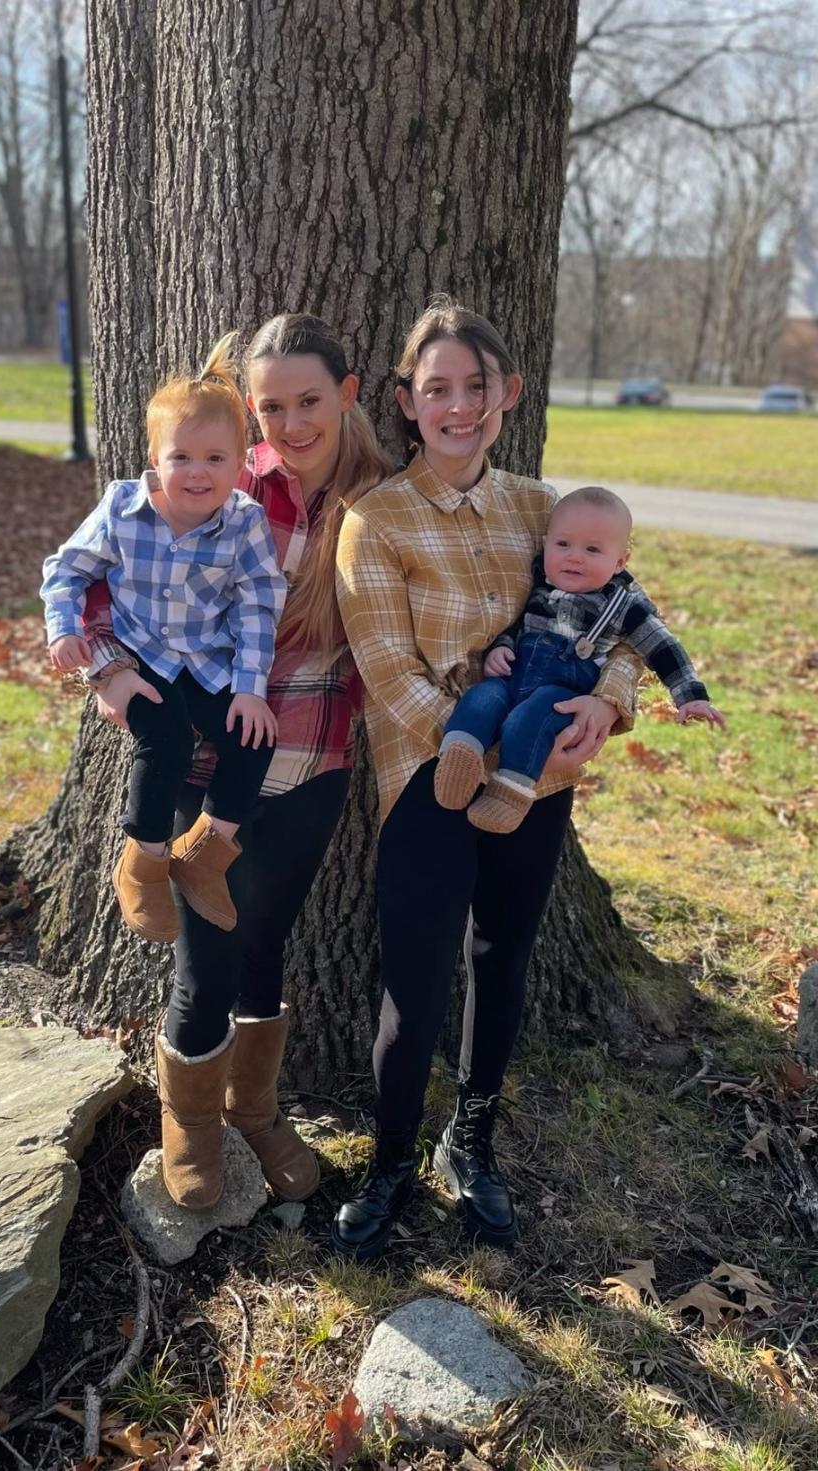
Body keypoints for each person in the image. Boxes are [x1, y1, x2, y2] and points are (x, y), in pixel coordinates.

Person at [332, 299, 644, 1259]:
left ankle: (471, 1138)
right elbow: (391, 674)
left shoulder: (539, 508)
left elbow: (621, 615)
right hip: (431, 777)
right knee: (416, 984)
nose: (458, 407)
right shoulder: (374, 522)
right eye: (437, 391)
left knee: (501, 958)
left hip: (537, 781)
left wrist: (611, 700)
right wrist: (476, 750)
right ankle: (390, 1160)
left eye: (477, 387)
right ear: (407, 403)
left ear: (507, 395)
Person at [82, 315, 392, 1211]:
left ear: (349, 393)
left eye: (310, 402)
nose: (291, 425)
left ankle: (254, 1106)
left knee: (266, 939)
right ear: (248, 412)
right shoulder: (219, 480)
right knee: (207, 956)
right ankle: (191, 1127)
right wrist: (103, 666)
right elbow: (102, 581)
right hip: (211, 759)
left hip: (317, 754)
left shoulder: (381, 496)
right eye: (272, 407)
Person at [41, 336, 286, 946]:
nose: (197, 472)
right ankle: (145, 862)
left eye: (215, 459)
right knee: (166, 734)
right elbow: (66, 570)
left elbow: (259, 604)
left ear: (240, 465)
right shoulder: (123, 509)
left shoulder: (245, 523)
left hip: (206, 659)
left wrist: (251, 690)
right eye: (182, 457)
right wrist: (65, 629)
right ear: (155, 458)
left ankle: (207, 851)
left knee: (252, 739)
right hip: (140, 653)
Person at [436, 484, 725, 833]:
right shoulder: (540, 582)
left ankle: (509, 794)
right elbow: (516, 623)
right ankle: (459, 755)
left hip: (560, 693)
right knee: (481, 698)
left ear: (620, 561)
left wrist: (691, 697)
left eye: (592, 549)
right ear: (547, 544)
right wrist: (501, 646)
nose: (574, 556)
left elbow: (664, 648)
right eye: (563, 544)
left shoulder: (623, 605)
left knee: (527, 722)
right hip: (513, 677)